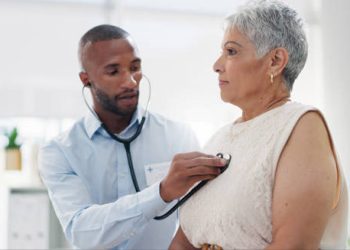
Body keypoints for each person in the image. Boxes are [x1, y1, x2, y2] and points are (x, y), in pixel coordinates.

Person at [169, 0, 348, 249]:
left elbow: (293, 246)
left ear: (275, 61)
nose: (216, 65)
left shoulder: (302, 126)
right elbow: (184, 241)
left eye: (231, 51)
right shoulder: (219, 138)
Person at [38, 24, 227, 249]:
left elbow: (198, 217)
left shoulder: (178, 135)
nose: (130, 81)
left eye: (135, 67)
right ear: (85, 79)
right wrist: (162, 192)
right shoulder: (59, 152)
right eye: (113, 71)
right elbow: (82, 232)